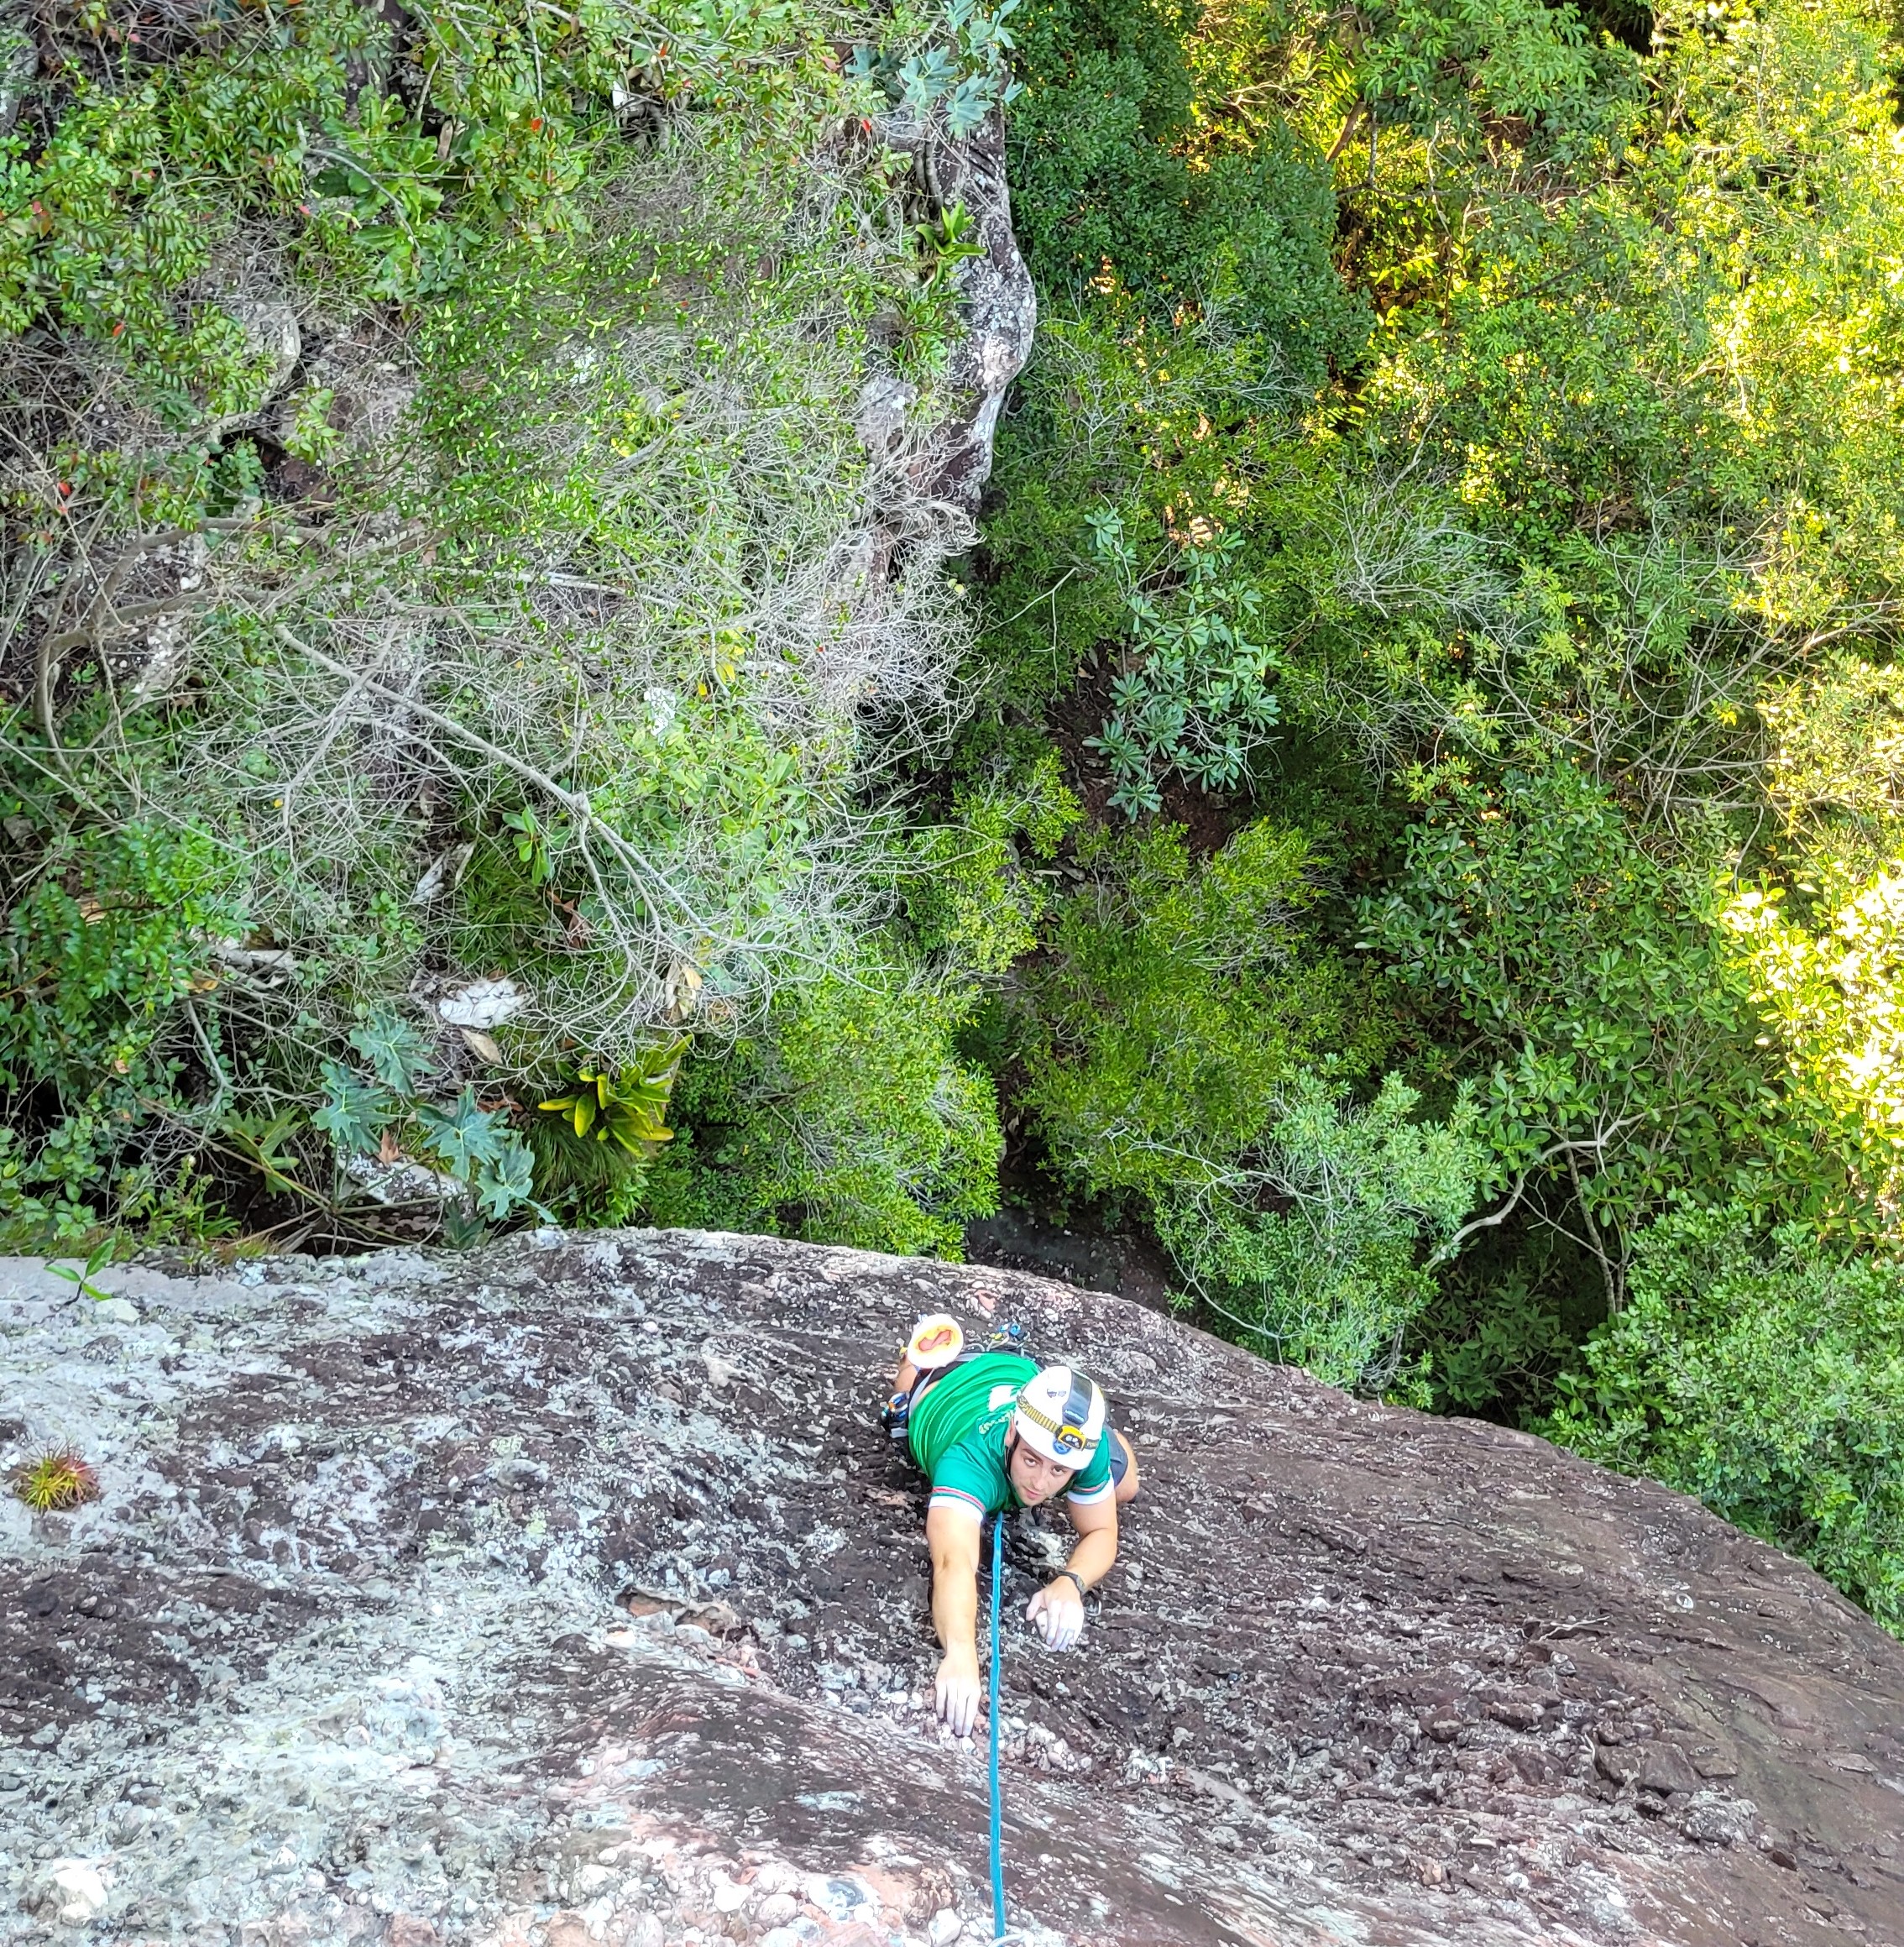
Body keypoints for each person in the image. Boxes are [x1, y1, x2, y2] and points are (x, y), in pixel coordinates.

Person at [886, 1316, 1141, 1735]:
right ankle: (927, 1362)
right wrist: (961, 1652)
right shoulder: (966, 1464)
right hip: (944, 1389)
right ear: (1011, 1437)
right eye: (1030, 1460)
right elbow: (954, 1561)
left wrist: (1071, 1582)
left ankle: (1003, 1355)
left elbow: (1101, 1532)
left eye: (1058, 1470)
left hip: (1022, 1381)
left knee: (1126, 1485)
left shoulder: (1079, 1452)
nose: (1040, 1482)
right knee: (906, 1390)